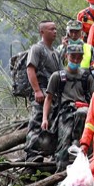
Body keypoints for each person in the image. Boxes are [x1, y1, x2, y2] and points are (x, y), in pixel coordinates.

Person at [41, 40, 94, 171]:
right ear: (67, 56)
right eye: (73, 56)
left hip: (84, 115)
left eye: (79, 57)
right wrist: (45, 118)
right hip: (65, 114)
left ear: (82, 58)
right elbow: (48, 98)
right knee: (63, 148)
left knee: (83, 114)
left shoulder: (87, 76)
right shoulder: (57, 76)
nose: (76, 60)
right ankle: (60, 174)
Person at [24, 21, 63, 162]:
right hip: (41, 93)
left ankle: (51, 154)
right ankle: (31, 154)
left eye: (55, 29)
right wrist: (36, 90)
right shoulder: (37, 49)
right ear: (42, 32)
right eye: (51, 29)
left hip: (53, 95)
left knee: (52, 123)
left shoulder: (55, 52)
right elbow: (30, 69)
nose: (55, 31)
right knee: (36, 122)